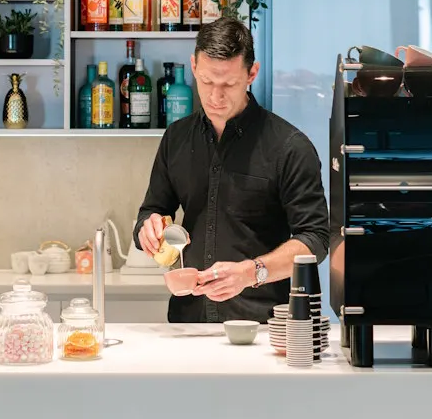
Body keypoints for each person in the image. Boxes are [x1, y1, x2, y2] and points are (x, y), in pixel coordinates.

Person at [134, 18, 329, 323]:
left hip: (264, 326)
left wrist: (252, 272)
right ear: (194, 66)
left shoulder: (289, 146)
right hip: (189, 321)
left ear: (252, 73)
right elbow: (152, 210)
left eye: (228, 84)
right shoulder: (176, 137)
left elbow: (315, 239)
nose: (215, 97)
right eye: (207, 82)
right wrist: (148, 228)